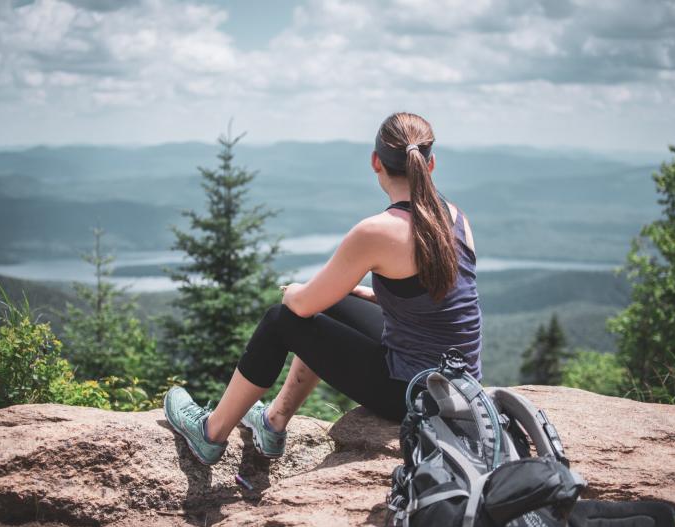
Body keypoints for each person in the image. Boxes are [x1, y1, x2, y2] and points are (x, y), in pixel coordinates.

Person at [164, 112, 483, 465]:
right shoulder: (454, 217)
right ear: (431, 163)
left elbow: (300, 306)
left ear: (376, 162)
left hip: (414, 392)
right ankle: (273, 421)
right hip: (456, 384)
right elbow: (444, 297)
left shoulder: (378, 231)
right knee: (334, 300)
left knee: (279, 319)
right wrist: (377, 296)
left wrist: (293, 291)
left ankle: (211, 432)